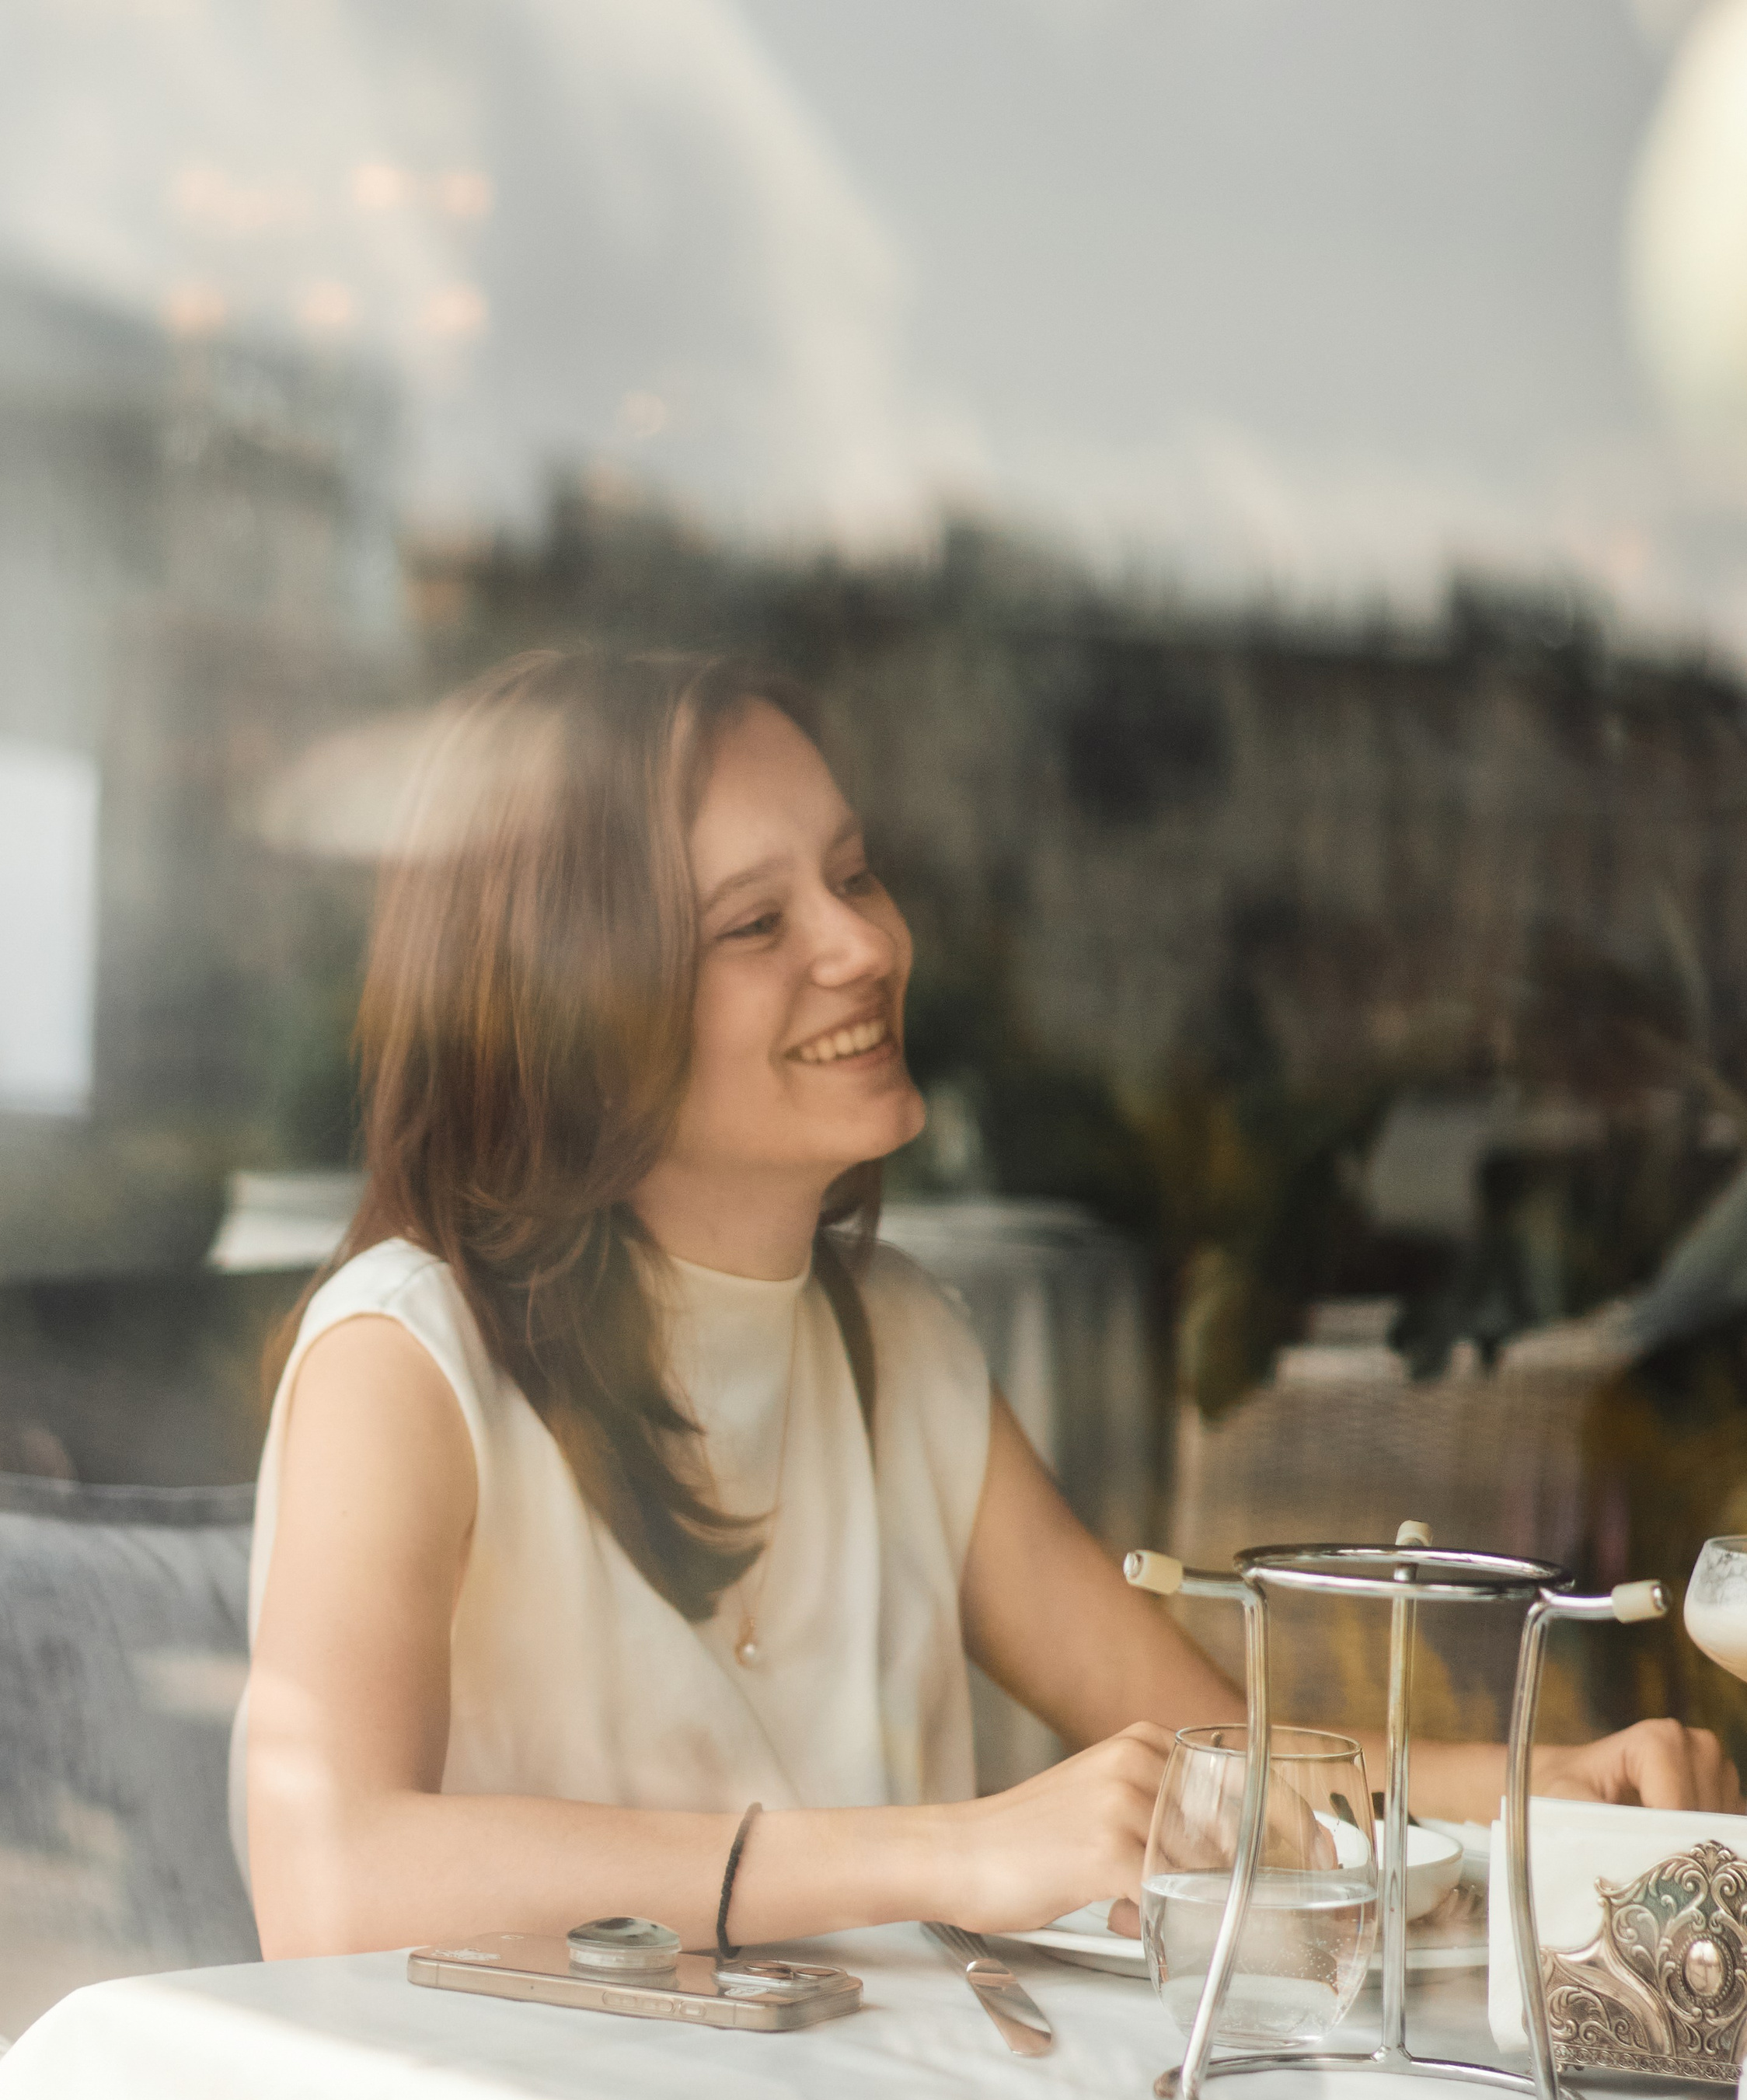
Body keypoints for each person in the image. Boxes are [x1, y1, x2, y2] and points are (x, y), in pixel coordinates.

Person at [244, 651, 1738, 1962]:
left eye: (853, 875)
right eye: (755, 925)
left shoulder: (896, 1345)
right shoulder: (407, 1357)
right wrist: (948, 1853)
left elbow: (1230, 1759)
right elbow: (328, 1880)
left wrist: (1548, 1785)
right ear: (575, 1017)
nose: (867, 946)